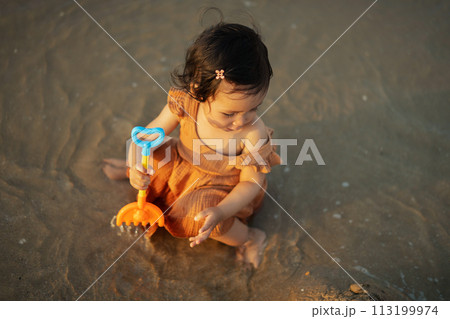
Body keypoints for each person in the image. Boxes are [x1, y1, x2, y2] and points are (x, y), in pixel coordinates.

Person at [103, 20, 280, 268]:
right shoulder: (186, 103)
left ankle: (250, 238)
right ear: (198, 91)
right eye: (229, 114)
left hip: (222, 187)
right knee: (151, 155)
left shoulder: (253, 133)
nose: (241, 121)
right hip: (181, 160)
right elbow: (147, 136)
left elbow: (251, 183)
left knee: (201, 216)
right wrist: (135, 164)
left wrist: (221, 211)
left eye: (253, 108)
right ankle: (134, 172)